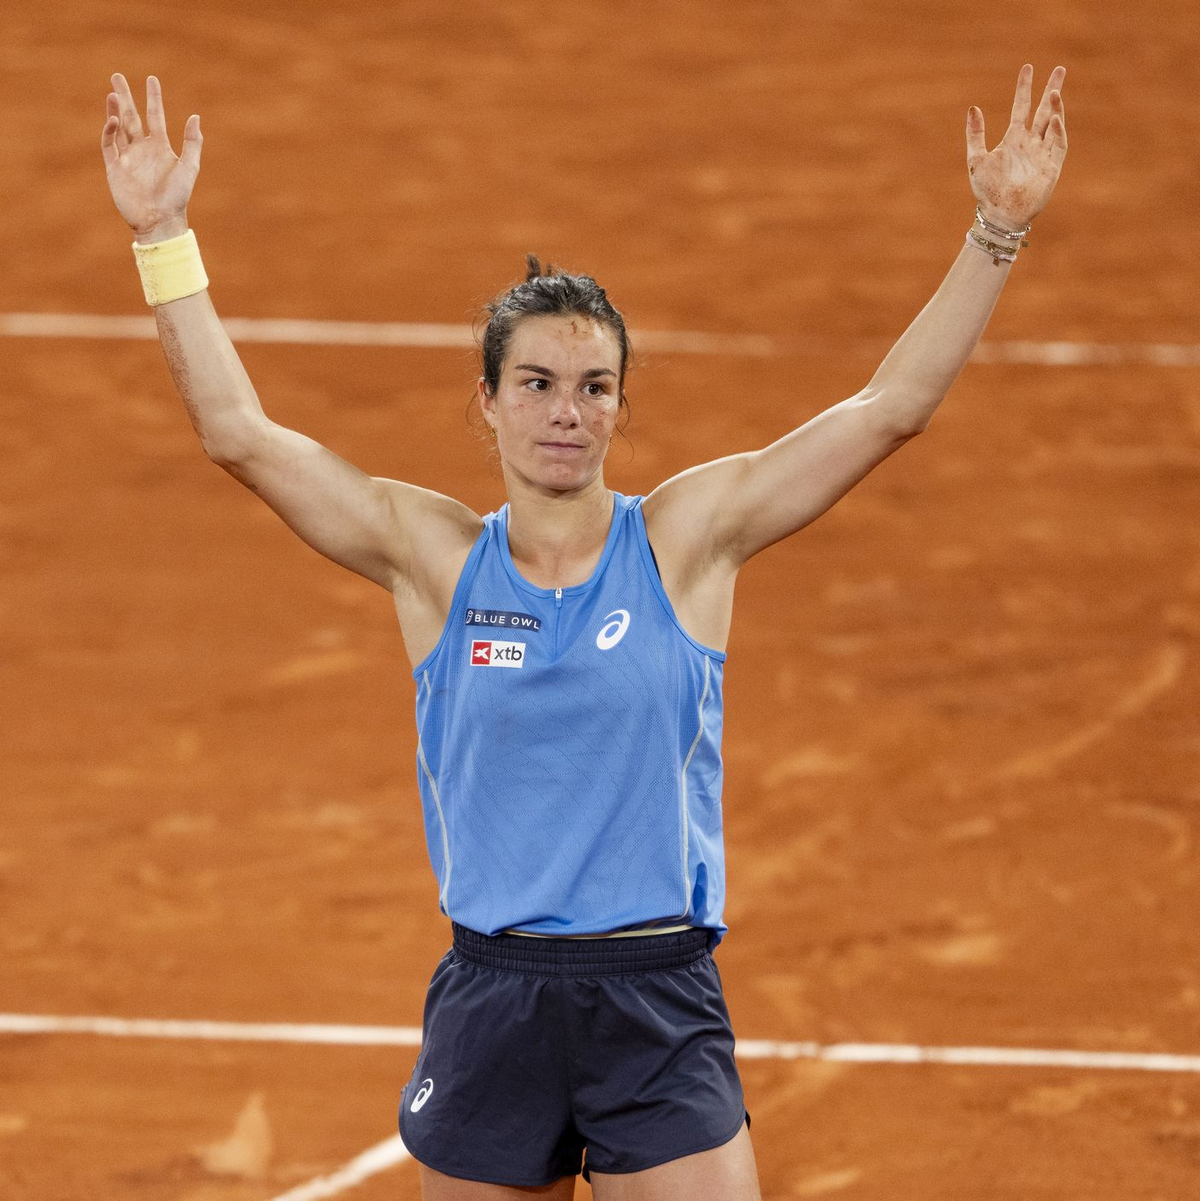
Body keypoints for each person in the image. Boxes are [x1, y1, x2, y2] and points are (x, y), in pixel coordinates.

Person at [100, 63, 1068, 1200]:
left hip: (655, 998)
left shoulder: (686, 540)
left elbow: (887, 410)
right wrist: (162, 231)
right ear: (492, 398)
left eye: (596, 386)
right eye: (541, 382)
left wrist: (995, 230)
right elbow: (239, 436)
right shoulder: (433, 554)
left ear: (620, 403)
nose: (569, 410)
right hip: (492, 995)